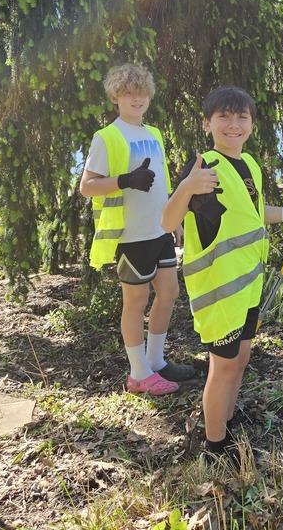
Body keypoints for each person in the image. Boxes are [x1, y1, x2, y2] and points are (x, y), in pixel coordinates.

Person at [162, 86, 283, 464]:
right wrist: (186, 188)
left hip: (249, 284)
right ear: (207, 123)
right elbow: (167, 222)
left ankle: (225, 425)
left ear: (251, 124)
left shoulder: (248, 164)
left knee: (241, 359)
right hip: (218, 291)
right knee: (221, 368)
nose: (233, 124)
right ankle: (215, 450)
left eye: (242, 117)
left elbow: (253, 213)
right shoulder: (202, 167)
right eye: (224, 116)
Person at [80, 63, 196, 396]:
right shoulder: (107, 137)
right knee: (136, 301)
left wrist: (176, 221)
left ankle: (155, 361)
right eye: (129, 93)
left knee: (169, 293)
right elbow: (87, 187)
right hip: (131, 235)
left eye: (142, 92)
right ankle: (138, 374)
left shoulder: (154, 134)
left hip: (160, 230)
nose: (137, 99)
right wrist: (126, 180)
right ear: (114, 97)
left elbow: (164, 185)